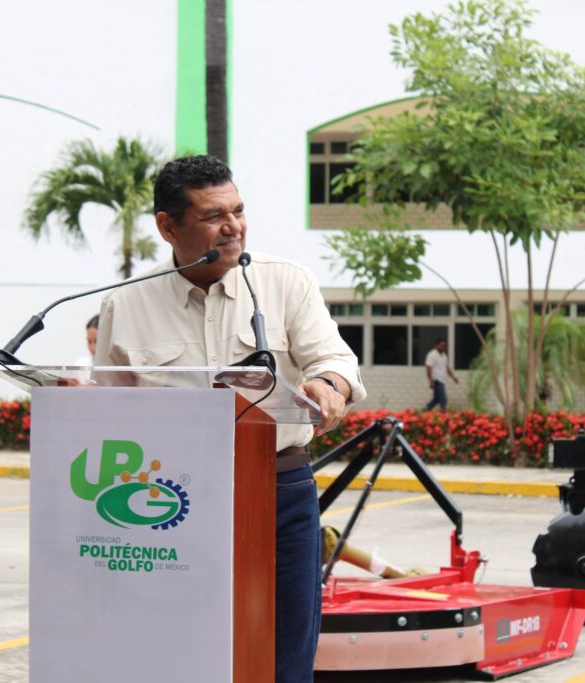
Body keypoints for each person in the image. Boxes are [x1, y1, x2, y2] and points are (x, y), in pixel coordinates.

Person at [95, 155, 366, 682]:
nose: (234, 226)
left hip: (278, 488)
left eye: (238, 211)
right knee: (182, 654)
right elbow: (108, 416)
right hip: (170, 498)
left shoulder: (285, 283)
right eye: (214, 216)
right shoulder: (125, 304)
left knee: (284, 654)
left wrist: (329, 387)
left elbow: (334, 359)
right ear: (168, 227)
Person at [424, 338, 458, 411]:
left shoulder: (444, 356)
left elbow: (446, 368)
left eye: (444, 346)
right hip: (436, 380)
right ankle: (443, 415)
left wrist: (453, 377)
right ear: (436, 345)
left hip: (442, 380)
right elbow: (429, 367)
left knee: (436, 399)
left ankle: (424, 410)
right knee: (443, 400)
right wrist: (431, 380)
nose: (443, 347)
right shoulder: (432, 354)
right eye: (441, 345)